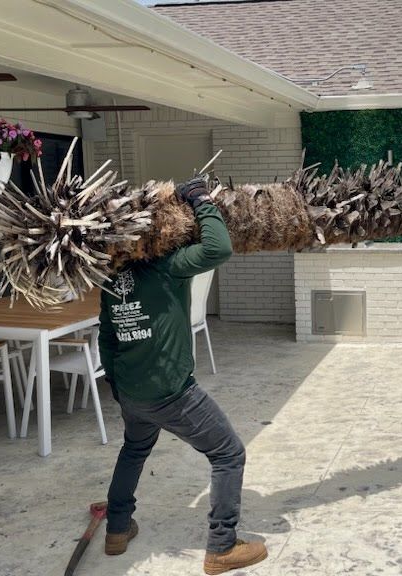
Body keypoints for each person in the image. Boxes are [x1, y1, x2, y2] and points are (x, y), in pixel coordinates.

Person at [98, 177, 268, 575]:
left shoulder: (111, 280)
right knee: (228, 453)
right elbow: (218, 247)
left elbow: (106, 335)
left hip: (131, 392)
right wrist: (201, 200)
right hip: (172, 393)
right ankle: (222, 546)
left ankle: (118, 530)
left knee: (135, 450)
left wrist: (116, 383)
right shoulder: (167, 267)